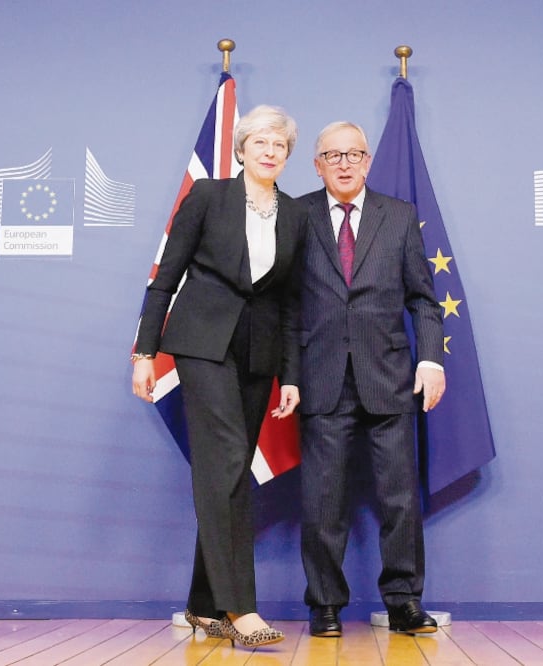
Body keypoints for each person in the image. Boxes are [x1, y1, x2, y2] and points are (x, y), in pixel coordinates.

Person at [131, 105, 306, 649]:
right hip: (200, 346)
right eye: (261, 141)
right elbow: (166, 277)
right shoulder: (209, 196)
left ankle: (203, 605)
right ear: (242, 147)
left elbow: (290, 303)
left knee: (227, 471)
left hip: (259, 356)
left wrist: (291, 376)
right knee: (226, 462)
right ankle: (241, 608)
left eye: (279, 144)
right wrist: (144, 352)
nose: (270, 151)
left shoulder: (296, 214)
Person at [294, 121, 445, 637]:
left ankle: (404, 601)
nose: (343, 163)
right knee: (322, 501)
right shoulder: (296, 216)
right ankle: (325, 605)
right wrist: (288, 375)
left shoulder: (399, 217)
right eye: (332, 155)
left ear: (367, 161)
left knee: (399, 498)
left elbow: (423, 299)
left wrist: (431, 360)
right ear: (316, 165)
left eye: (354, 153)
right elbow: (286, 306)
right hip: (321, 378)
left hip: (390, 377)